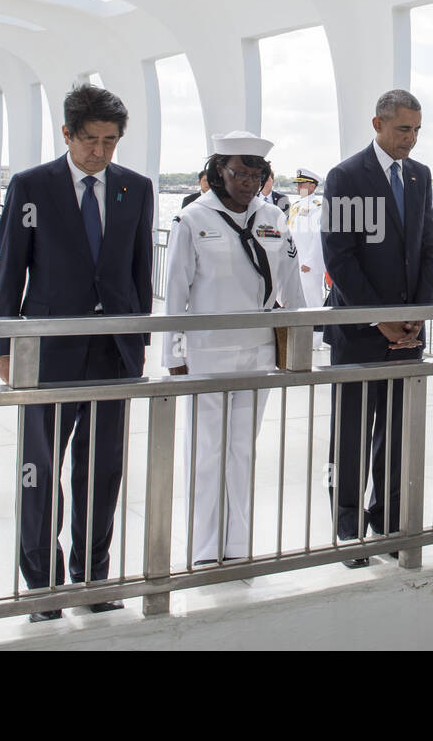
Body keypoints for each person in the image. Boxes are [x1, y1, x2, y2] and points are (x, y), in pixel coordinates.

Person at [0, 84, 153, 621]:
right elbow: (11, 267)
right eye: (90, 140)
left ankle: (92, 578)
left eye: (110, 142)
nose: (100, 152)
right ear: (67, 134)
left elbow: (138, 271)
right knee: (41, 469)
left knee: (102, 470)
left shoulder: (137, 189)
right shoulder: (32, 186)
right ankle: (42, 586)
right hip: (49, 353)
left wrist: (140, 339)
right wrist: (3, 345)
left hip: (114, 354)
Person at [163, 131, 305, 565]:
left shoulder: (273, 218)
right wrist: (174, 355)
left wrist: (299, 348)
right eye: (239, 172)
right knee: (208, 453)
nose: (248, 181)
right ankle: (205, 549)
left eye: (256, 173)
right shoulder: (193, 219)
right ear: (217, 171)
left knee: (242, 451)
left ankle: (237, 547)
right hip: (206, 356)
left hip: (256, 354)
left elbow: (293, 287)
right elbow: (173, 295)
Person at [321, 89, 433, 567]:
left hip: (407, 333)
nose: (409, 140)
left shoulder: (420, 176)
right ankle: (347, 529)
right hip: (359, 331)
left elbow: (428, 247)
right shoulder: (347, 177)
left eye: (415, 130)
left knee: (395, 435)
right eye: (401, 130)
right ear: (377, 124)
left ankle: (386, 522)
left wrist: (418, 315)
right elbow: (341, 257)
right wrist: (380, 318)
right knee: (350, 435)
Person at [287, 168, 328, 348]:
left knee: (313, 300)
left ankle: (318, 339)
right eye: (297, 184)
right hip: (295, 259)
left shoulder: (318, 206)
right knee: (299, 299)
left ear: (312, 186)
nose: (298, 187)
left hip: (308, 263)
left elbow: (319, 237)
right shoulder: (296, 205)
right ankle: (303, 334)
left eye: (302, 184)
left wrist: (309, 262)